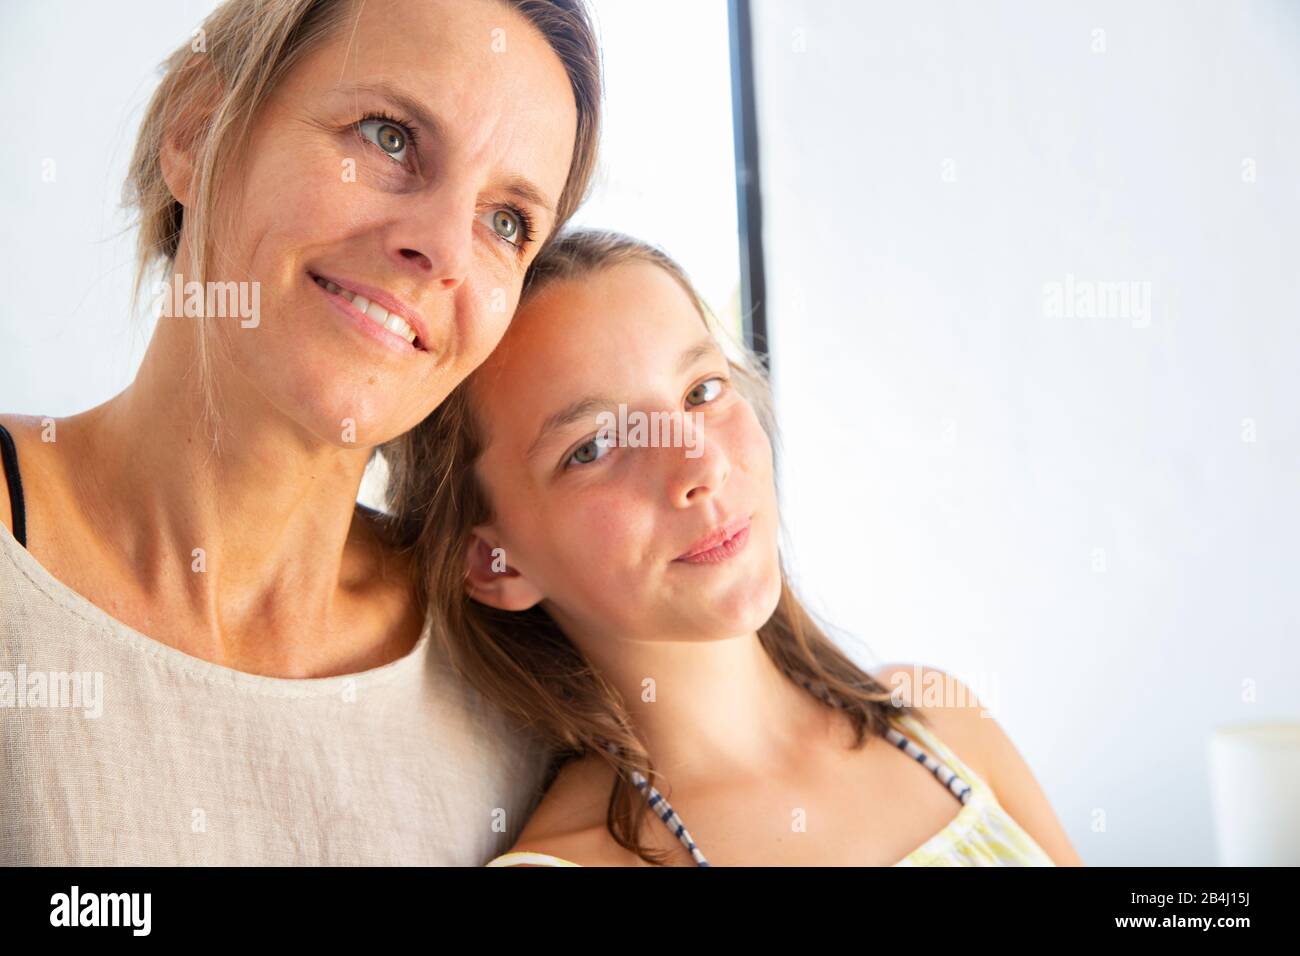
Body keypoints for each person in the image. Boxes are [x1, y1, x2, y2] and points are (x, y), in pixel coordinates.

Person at [0, 0, 601, 865]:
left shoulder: (515, 666)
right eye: (389, 137)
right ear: (198, 133)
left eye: (506, 221)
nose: (443, 250)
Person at [386, 229, 1085, 866]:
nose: (700, 465)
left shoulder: (944, 726)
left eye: (702, 390)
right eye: (595, 446)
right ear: (493, 561)